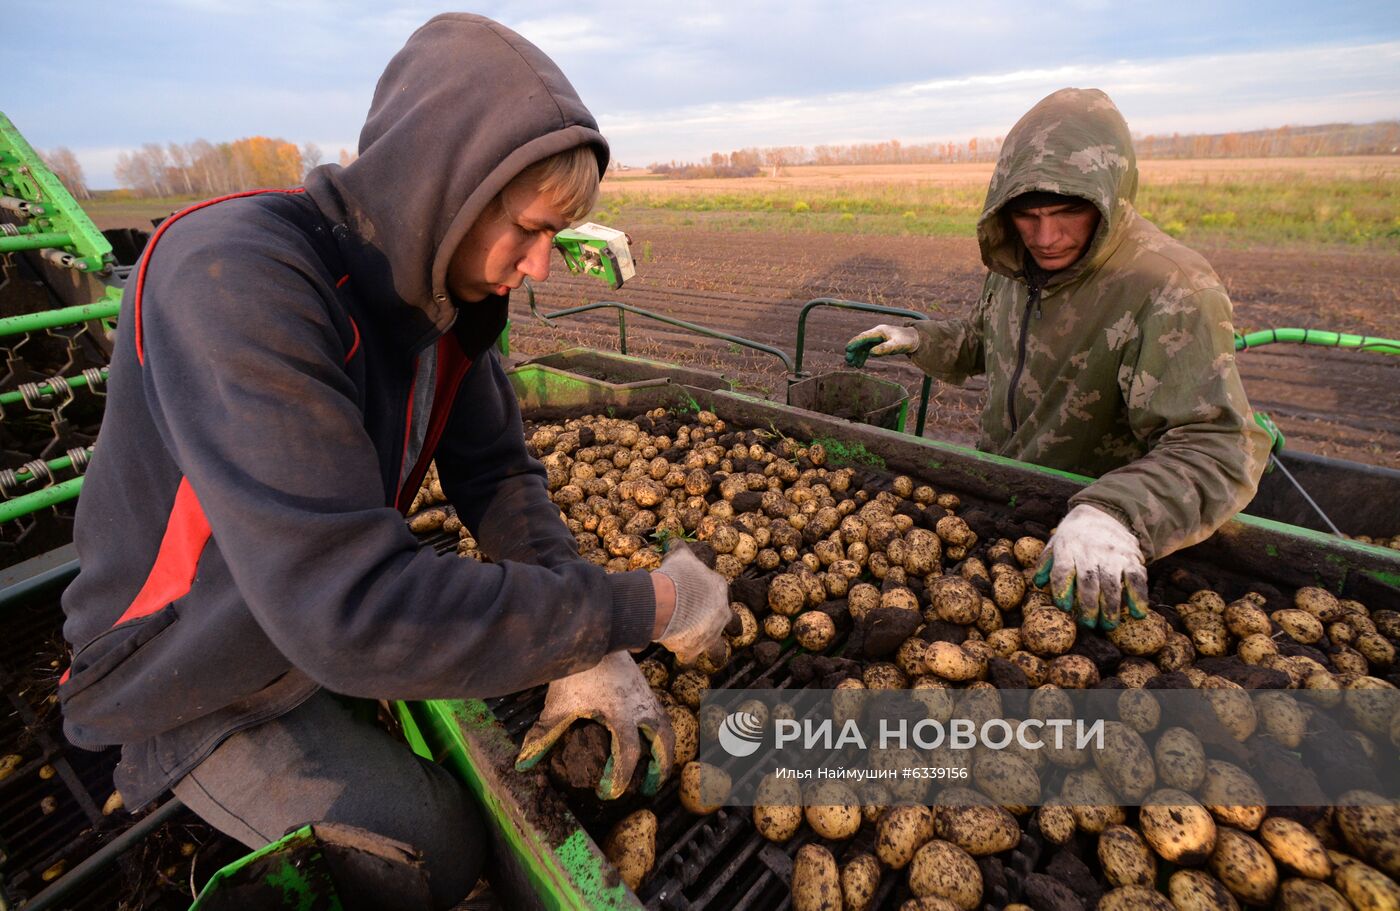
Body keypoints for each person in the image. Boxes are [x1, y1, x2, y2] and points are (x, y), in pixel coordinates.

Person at [57, 14, 728, 907]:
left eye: (558, 237)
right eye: (529, 229)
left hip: (302, 620)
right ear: (442, 186)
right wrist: (646, 603)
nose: (540, 268)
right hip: (182, 669)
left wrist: (584, 638)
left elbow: (497, 472)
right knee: (439, 852)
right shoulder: (234, 280)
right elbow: (355, 607)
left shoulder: (444, 295)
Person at [848, 87, 1270, 630]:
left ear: (1109, 195)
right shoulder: (1016, 263)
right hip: (1005, 495)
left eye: (1070, 212)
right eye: (1028, 215)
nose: (1047, 237)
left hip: (1095, 539)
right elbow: (984, 341)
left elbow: (1221, 444)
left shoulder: (1169, 286)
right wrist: (917, 339)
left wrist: (1114, 514)